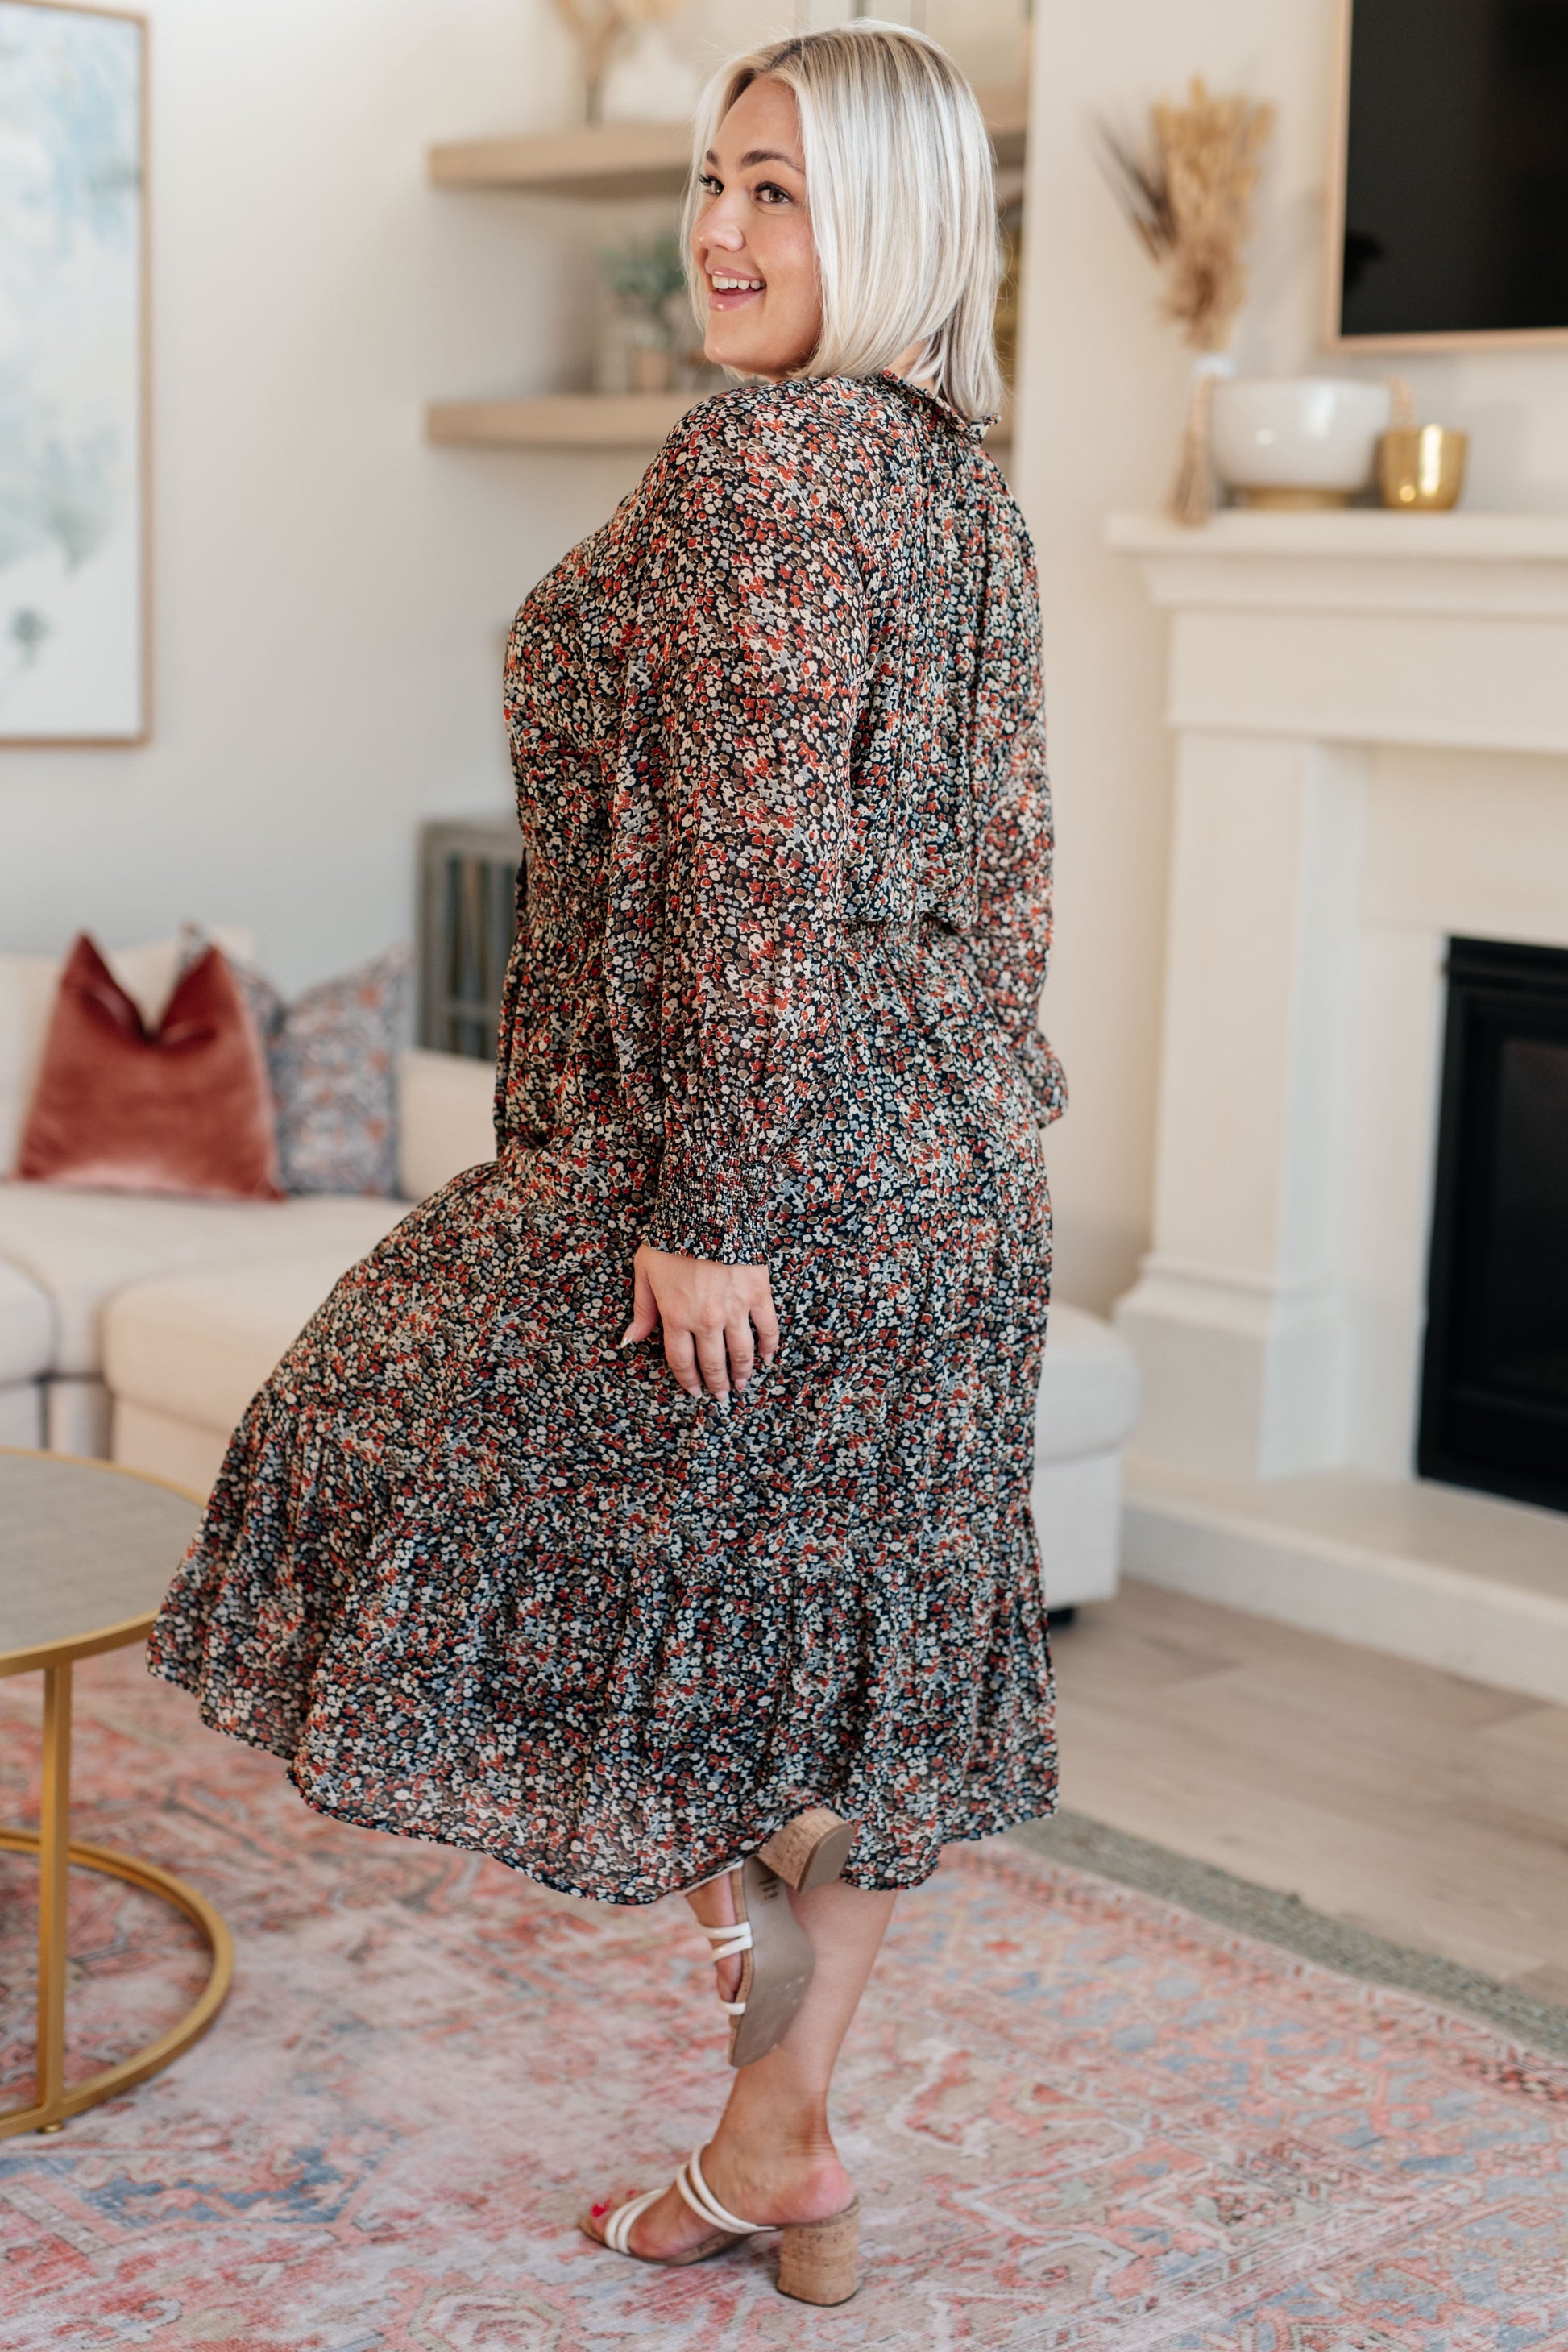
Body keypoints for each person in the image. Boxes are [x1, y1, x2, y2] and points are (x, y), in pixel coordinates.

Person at [148, 19, 1065, 2310]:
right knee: (845, 1670)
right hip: (947, 1180)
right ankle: (780, 2137)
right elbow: (1009, 876)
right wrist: (967, 1130)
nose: (719, 234)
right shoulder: (962, 491)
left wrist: (711, 1211)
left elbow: (755, 870)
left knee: (382, 1429)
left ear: (894, 224)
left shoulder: (768, 463)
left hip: (770, 1176)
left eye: (779, 191)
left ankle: (766, 2093)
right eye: (712, 182)